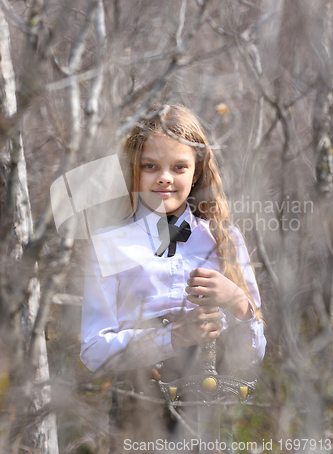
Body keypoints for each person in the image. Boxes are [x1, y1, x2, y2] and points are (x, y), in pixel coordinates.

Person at [80, 104, 266, 447]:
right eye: (150, 166)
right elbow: (93, 350)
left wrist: (236, 301)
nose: (165, 177)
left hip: (208, 413)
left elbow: (253, 354)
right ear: (134, 171)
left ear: (196, 172)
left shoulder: (224, 240)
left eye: (179, 167)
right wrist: (173, 338)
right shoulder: (109, 244)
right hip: (139, 413)